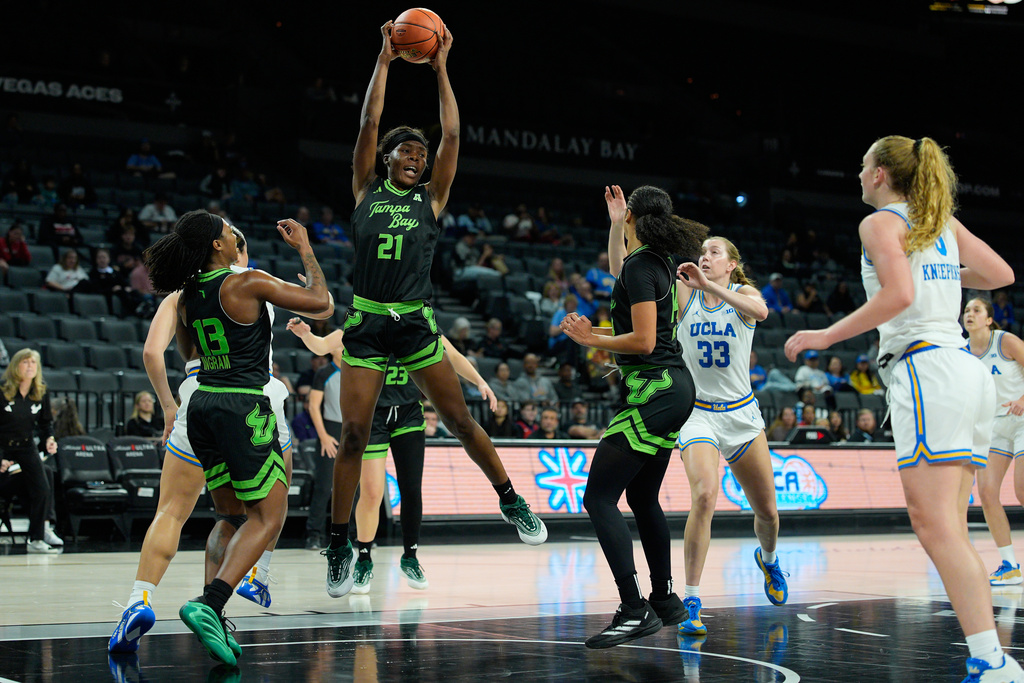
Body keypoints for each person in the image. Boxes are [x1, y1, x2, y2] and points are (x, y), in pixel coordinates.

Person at [783, 135, 1021, 680]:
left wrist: (825, 334)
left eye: (862, 165)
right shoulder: (941, 223)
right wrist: (945, 282)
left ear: (882, 175)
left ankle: (992, 660)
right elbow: (1001, 274)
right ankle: (989, 658)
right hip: (965, 373)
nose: (858, 174)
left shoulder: (880, 223)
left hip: (927, 370)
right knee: (950, 529)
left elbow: (899, 297)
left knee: (934, 526)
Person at [322, 21, 546, 599]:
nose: (417, 157)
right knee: (352, 435)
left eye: (421, 153)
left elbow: (452, 135)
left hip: (415, 323)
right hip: (368, 324)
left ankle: (510, 500)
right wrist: (385, 60)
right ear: (387, 158)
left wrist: (442, 67)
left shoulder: (433, 197)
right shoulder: (364, 189)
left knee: (461, 419)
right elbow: (369, 121)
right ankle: (341, 540)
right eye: (407, 151)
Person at [117, 211, 330, 665]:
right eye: (228, 233)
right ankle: (210, 603)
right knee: (270, 515)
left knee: (229, 515)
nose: (234, 237)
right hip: (244, 404)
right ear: (218, 246)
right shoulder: (248, 281)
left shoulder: (186, 296)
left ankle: (182, 605)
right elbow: (322, 302)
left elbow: (180, 353)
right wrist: (306, 250)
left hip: (201, 405)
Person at [560, 184, 705, 649]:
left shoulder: (644, 267)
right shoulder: (655, 265)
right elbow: (619, 274)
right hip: (673, 388)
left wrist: (590, 341)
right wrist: (614, 223)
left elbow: (642, 342)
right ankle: (664, 600)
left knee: (598, 498)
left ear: (635, 222)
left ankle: (633, 607)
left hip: (656, 389)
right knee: (643, 498)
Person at [288, 317, 496, 593]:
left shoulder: (417, 322)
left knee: (411, 489)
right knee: (372, 493)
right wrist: (306, 335)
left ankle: (410, 557)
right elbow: (323, 345)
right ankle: (364, 559)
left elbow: (452, 354)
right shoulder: (363, 322)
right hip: (374, 416)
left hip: (409, 412)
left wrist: (480, 381)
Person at [674, 234, 788, 638]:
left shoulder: (742, 292)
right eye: (701, 251)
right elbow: (623, 275)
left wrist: (714, 288)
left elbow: (762, 311)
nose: (704, 257)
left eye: (714, 252)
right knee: (704, 496)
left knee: (768, 513)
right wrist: (620, 229)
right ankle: (690, 600)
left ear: (731, 264)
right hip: (698, 415)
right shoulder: (685, 291)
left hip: (741, 416)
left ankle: (769, 559)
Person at [964, 297, 1024, 588]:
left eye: (976, 310)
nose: (969, 314)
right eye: (966, 311)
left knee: (1022, 491)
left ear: (989, 319)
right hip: (995, 425)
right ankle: (1010, 565)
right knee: (987, 494)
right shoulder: (961, 353)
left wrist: (1023, 400)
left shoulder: (1005, 341)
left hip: (1023, 417)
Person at [0, 349, 60, 553]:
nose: (30, 366)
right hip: (3, 447)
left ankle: (37, 537)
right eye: (25, 362)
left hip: (26, 447)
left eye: (33, 363)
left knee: (42, 487)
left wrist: (50, 439)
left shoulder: (40, 391)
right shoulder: (2, 390)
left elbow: (45, 423)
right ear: (15, 366)